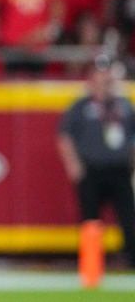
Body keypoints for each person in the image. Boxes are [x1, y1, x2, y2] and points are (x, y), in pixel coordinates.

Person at [57, 57, 135, 269]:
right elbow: (65, 136)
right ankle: (91, 262)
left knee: (129, 218)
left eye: (107, 72)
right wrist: (73, 165)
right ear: (92, 76)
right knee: (90, 219)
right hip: (91, 170)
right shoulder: (81, 106)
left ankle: (131, 259)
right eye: (100, 72)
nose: (104, 77)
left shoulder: (124, 105)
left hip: (120, 170)